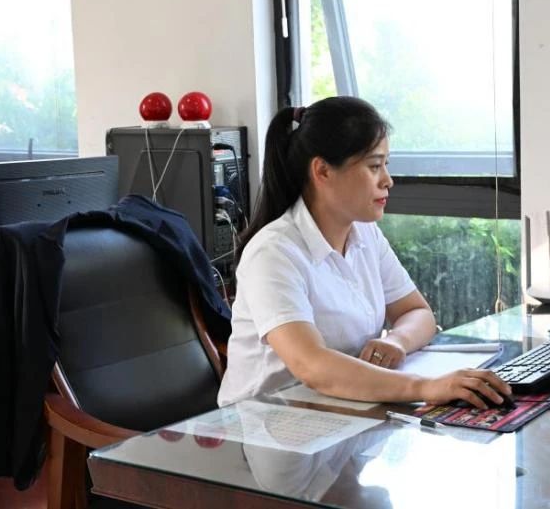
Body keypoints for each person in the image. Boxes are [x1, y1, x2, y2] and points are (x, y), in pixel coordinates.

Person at [217, 96, 511, 409]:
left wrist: (396, 342)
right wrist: (426, 386)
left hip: (338, 410)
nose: (388, 180)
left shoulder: (364, 234)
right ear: (323, 171)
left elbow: (417, 313)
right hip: (263, 422)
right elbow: (312, 366)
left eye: (386, 165)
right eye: (374, 166)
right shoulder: (273, 252)